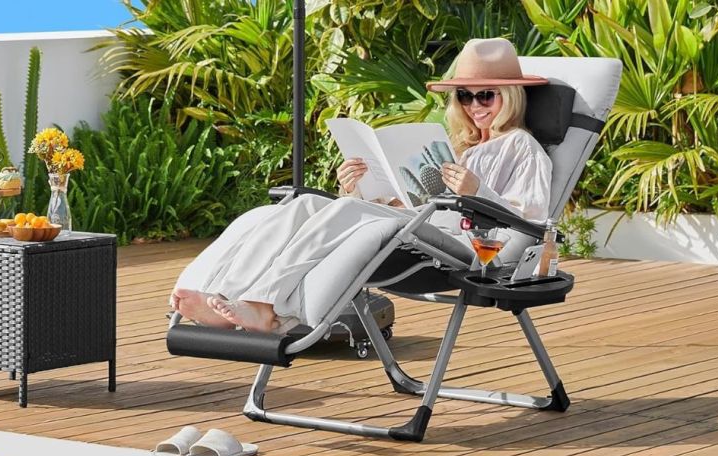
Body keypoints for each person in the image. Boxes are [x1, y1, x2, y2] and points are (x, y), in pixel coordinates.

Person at [170, 37, 553, 334]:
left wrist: (477, 191)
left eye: (486, 94)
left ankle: (267, 307)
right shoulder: (461, 147)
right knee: (295, 207)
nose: (474, 105)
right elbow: (410, 202)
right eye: (465, 96)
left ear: (511, 95)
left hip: (462, 246)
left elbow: (530, 220)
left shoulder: (523, 146)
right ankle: (217, 290)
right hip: (418, 224)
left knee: (345, 211)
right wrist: (359, 188)